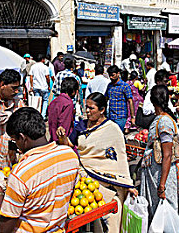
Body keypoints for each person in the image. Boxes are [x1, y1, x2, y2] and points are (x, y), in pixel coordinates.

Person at [56, 93, 137, 232]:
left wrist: (127, 183)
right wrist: (62, 137)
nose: (87, 111)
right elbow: (69, 144)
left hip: (110, 181)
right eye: (86, 107)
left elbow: (120, 158)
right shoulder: (81, 125)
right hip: (85, 177)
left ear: (102, 110)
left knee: (113, 212)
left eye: (91, 108)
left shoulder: (112, 129)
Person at [0, 107, 79, 233]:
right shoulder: (69, 155)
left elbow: (4, 228)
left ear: (22, 138)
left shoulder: (21, 174)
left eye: (14, 140)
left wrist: (0, 194)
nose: (15, 145)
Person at [140, 85, 179, 227]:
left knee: (166, 210)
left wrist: (162, 185)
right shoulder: (162, 119)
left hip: (163, 173)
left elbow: (167, 155)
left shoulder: (164, 122)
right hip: (158, 172)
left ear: (151, 100)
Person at [47, 77, 79, 143]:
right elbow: (64, 126)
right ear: (73, 91)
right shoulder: (68, 103)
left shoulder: (54, 101)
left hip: (53, 138)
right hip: (61, 141)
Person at [105, 65, 134, 131]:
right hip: (111, 116)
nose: (111, 77)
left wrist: (132, 117)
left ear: (118, 74)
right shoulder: (109, 86)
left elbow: (130, 101)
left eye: (113, 75)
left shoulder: (125, 86)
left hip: (121, 117)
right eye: (109, 75)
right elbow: (106, 99)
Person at [29, 54, 50, 119]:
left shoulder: (33, 67)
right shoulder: (45, 67)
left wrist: (31, 86)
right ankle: (43, 116)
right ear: (42, 59)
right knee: (45, 101)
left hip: (36, 86)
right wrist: (48, 85)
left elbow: (31, 77)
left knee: (37, 101)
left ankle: (37, 115)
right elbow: (47, 77)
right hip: (44, 86)